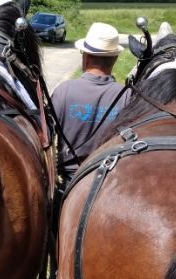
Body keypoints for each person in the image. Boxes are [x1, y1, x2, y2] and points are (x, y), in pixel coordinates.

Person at [51, 22, 129, 185]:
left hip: (69, 182)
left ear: (85, 57)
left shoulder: (64, 91)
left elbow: (46, 139)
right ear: (114, 59)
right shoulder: (127, 96)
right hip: (110, 181)